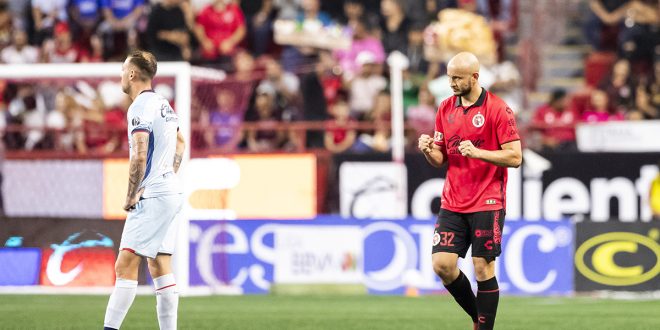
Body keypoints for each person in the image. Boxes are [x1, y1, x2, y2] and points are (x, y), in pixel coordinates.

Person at [418, 52, 522, 330]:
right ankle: (479, 318)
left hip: (487, 199)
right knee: (442, 265)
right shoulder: (445, 109)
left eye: (456, 78)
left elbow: (515, 157)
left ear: (475, 77)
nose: (450, 83)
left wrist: (478, 152)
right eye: (449, 77)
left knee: (482, 267)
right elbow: (441, 159)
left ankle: (483, 327)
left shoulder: (498, 109)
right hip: (453, 200)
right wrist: (430, 150)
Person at [103, 50, 185, 330]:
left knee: (125, 264)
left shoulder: (139, 107)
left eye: (123, 71)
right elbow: (181, 143)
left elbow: (139, 155)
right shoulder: (164, 104)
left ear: (132, 74)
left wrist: (131, 194)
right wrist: (167, 176)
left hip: (153, 193)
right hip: (171, 190)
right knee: (159, 264)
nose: (121, 77)